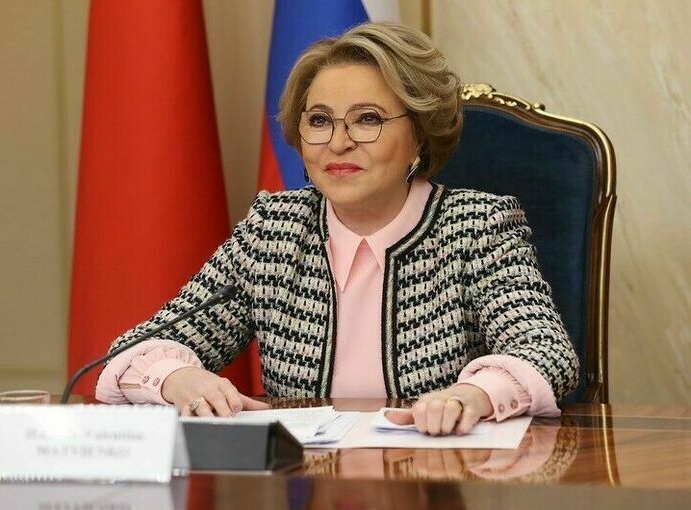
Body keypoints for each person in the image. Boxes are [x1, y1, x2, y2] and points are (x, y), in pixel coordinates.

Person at [96, 21, 579, 436]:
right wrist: (178, 379)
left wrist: (472, 396)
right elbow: (136, 350)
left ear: (419, 136)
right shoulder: (274, 230)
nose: (339, 143)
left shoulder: (475, 227)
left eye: (367, 119)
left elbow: (546, 352)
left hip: (435, 481)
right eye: (320, 120)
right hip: (305, 486)